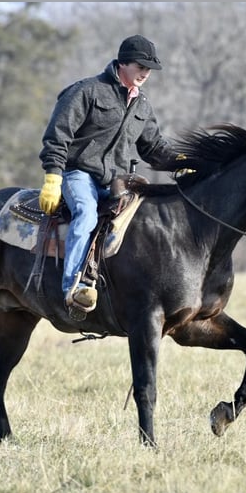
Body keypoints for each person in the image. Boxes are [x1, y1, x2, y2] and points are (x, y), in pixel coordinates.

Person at [38, 34, 184, 313]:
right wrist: (53, 176)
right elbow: (57, 136)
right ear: (123, 63)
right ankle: (73, 287)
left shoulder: (142, 105)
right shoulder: (86, 91)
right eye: (141, 66)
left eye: (149, 69)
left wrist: (181, 163)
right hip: (78, 174)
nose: (145, 73)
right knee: (87, 213)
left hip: (117, 182)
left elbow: (153, 148)